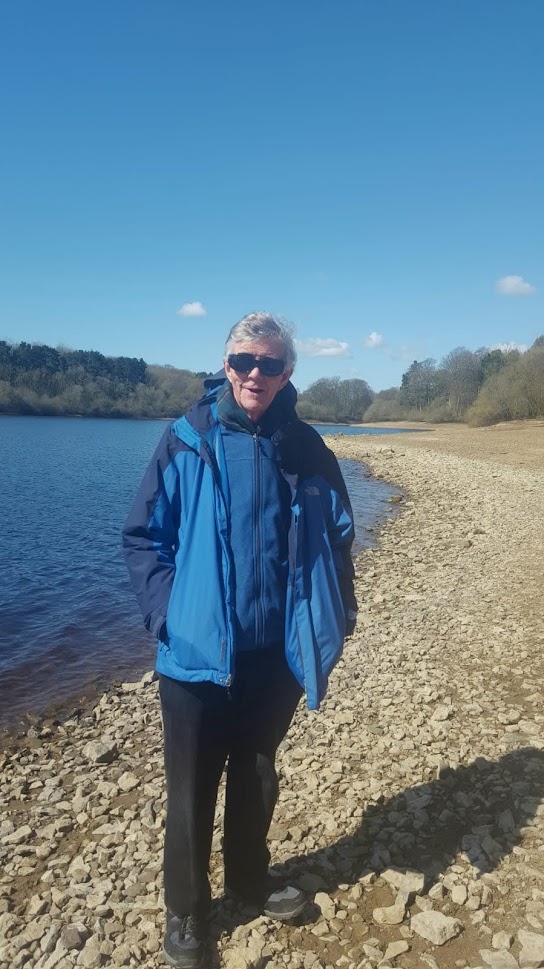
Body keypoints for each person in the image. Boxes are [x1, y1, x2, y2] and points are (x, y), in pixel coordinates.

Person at [122, 312, 357, 968]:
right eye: (244, 361)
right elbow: (142, 537)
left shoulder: (306, 446)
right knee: (191, 788)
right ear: (226, 366)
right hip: (195, 659)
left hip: (274, 655)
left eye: (271, 364)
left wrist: (339, 613)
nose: (256, 374)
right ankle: (187, 912)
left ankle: (250, 883)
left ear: (287, 374)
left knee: (257, 775)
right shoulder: (184, 439)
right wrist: (168, 615)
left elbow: (339, 533)